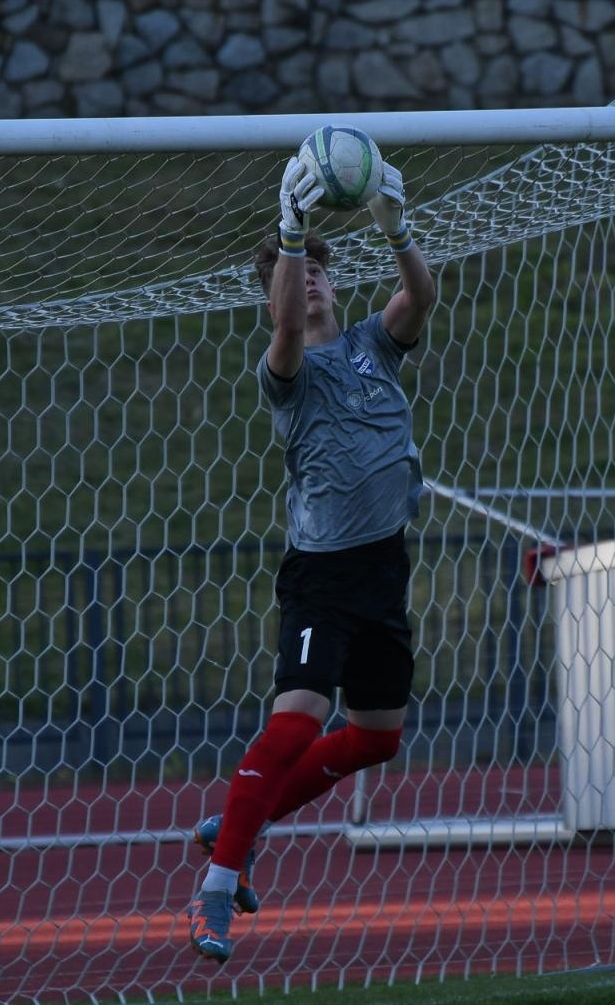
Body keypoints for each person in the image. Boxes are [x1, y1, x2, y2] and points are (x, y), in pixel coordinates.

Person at [184, 149, 437, 963]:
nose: (316, 281)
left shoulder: (372, 344)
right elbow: (288, 325)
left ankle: (242, 820)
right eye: (302, 274)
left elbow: (420, 296)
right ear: (277, 299)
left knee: (377, 737)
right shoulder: (283, 369)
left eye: (325, 270)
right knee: (297, 721)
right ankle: (217, 887)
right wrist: (290, 232)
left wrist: (394, 229)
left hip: (383, 569)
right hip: (321, 576)